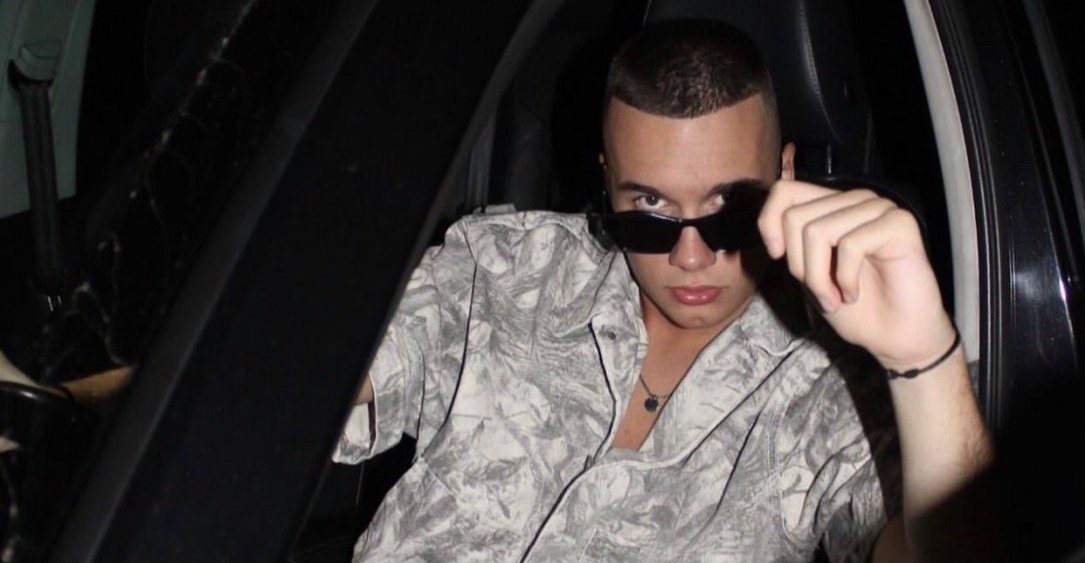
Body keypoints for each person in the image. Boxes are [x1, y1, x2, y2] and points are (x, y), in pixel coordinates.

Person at [333, 19, 993, 562]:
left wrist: (924, 358)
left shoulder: (832, 385)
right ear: (607, 180)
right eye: (649, 208)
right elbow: (308, 373)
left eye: (730, 207)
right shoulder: (501, 271)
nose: (690, 256)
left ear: (786, 173)